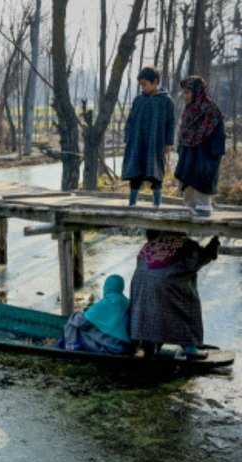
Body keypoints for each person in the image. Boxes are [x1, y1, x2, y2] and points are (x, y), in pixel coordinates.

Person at [129, 230, 220, 360]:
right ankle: (190, 348)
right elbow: (199, 260)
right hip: (166, 286)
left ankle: (149, 346)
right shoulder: (186, 245)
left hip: (140, 286)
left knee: (150, 311)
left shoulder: (151, 244)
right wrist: (213, 245)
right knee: (186, 307)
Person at [122, 66, 176, 208]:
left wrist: (169, 143)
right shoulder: (138, 100)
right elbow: (130, 119)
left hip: (156, 142)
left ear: (155, 82)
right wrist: (127, 137)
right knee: (135, 172)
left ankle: (157, 204)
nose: (143, 87)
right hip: (137, 142)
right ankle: (132, 203)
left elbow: (171, 123)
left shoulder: (166, 101)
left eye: (145, 84)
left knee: (156, 173)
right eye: (141, 85)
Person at [175, 76, 226, 217]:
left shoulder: (211, 110)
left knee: (200, 178)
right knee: (188, 179)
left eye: (187, 92)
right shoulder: (189, 109)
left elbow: (218, 137)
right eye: (184, 92)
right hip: (189, 153)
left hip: (205, 155)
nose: (185, 96)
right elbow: (183, 132)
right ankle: (189, 207)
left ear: (197, 91)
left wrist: (209, 154)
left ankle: (203, 208)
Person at [58, 274, 134, 355]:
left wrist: (79, 314)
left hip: (108, 348)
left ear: (107, 287)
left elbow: (82, 322)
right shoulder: (127, 303)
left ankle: (70, 346)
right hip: (123, 347)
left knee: (74, 321)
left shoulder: (107, 302)